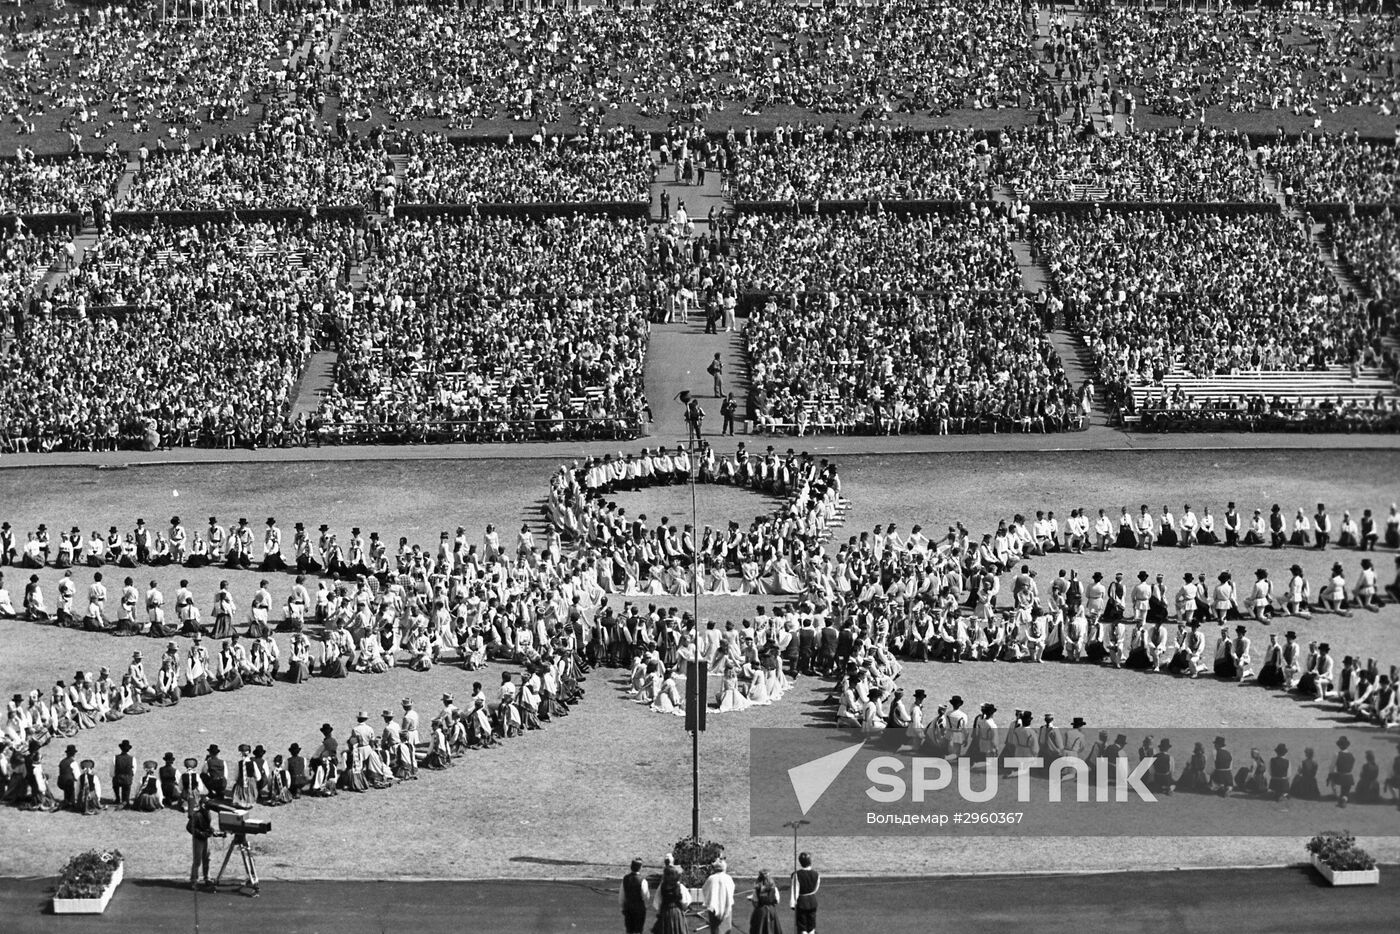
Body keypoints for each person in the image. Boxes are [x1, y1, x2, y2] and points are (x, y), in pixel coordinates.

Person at [186, 794, 221, 890]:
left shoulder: (207, 813)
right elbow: (189, 827)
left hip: (206, 838)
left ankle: (207, 878)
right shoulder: (197, 815)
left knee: (207, 858)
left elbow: (207, 826)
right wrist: (200, 833)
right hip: (198, 839)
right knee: (197, 860)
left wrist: (213, 831)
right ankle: (194, 880)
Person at [701, 858, 736, 934]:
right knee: (725, 929)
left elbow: (704, 889)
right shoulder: (728, 878)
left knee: (715, 930)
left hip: (714, 908)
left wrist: (710, 899)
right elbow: (731, 889)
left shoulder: (711, 878)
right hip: (726, 907)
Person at [791, 851, 819, 934]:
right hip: (812, 900)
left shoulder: (797, 875)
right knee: (812, 923)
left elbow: (795, 890)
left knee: (802, 924)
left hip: (801, 902)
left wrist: (793, 903)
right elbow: (816, 888)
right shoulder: (816, 874)